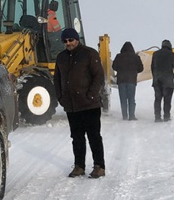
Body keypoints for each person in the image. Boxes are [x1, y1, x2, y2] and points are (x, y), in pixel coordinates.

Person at [53, 28, 106, 178]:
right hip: (71, 105)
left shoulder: (89, 54)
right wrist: (60, 97)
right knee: (76, 137)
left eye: (70, 40)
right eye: (65, 41)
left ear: (77, 39)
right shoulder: (61, 57)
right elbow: (57, 79)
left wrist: (91, 95)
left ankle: (99, 166)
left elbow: (98, 76)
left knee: (94, 136)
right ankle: (79, 166)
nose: (68, 43)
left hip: (90, 105)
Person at [150, 39, 174, 122]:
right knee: (167, 99)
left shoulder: (155, 54)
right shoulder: (172, 55)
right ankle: (166, 116)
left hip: (157, 80)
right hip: (168, 81)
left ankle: (157, 117)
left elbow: (152, 67)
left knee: (157, 99)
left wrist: (155, 77)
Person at [112, 41, 144, 120]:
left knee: (123, 99)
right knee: (131, 98)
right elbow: (141, 68)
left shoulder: (118, 56)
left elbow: (114, 66)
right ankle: (132, 116)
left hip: (121, 81)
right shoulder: (136, 57)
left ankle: (124, 116)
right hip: (131, 80)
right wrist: (134, 71)